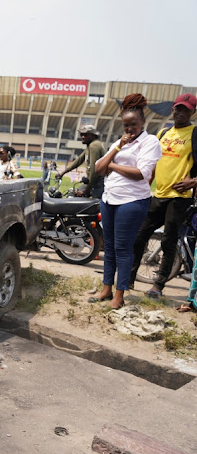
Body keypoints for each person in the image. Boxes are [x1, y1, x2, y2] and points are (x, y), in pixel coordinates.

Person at [89, 93, 162, 309]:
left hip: (132, 201)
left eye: (134, 125)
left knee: (123, 248)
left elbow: (141, 173)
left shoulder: (150, 142)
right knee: (109, 247)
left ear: (143, 123)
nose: (129, 129)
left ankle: (119, 294)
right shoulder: (118, 142)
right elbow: (98, 168)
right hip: (110, 199)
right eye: (126, 125)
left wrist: (112, 166)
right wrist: (118, 147)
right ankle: (106, 288)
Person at [129, 93, 197, 298]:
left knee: (169, 241)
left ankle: (157, 286)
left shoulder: (195, 133)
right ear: (172, 109)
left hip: (179, 198)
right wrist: (142, 190)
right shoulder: (163, 133)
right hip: (158, 194)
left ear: (193, 112)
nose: (180, 113)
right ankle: (128, 279)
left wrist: (193, 182)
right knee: (140, 236)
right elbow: (152, 166)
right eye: (178, 108)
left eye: (185, 109)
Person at [57, 125, 106, 198]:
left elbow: (94, 171)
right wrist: (63, 173)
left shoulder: (94, 146)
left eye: (86, 135)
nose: (83, 137)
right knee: (74, 193)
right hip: (92, 182)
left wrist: (86, 190)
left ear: (93, 135)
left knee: (89, 205)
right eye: (81, 134)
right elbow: (79, 160)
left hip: (98, 184)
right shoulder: (91, 145)